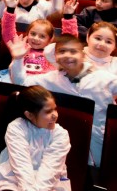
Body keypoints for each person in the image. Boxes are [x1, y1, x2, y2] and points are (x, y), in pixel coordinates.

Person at [8, 34, 117, 167]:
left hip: (99, 141)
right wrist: (18, 59)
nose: (67, 55)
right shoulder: (52, 79)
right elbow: (21, 82)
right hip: (62, 141)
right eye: (62, 51)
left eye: (73, 51)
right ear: (55, 57)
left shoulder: (104, 78)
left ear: (83, 55)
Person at [0, 85, 72, 191]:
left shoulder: (61, 135)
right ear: (29, 115)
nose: (55, 115)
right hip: (14, 179)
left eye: (55, 109)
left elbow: (50, 172)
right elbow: (22, 168)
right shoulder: (16, 128)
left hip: (50, 185)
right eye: (48, 111)